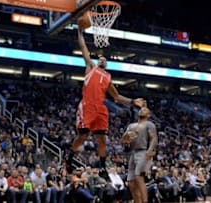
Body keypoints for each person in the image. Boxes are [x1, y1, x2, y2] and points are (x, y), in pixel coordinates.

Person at [66, 28, 146, 176]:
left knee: (102, 139)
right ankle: (69, 157)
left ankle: (102, 166)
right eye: (100, 58)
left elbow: (116, 97)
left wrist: (133, 101)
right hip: (87, 105)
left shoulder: (108, 77)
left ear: (107, 64)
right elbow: (84, 48)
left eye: (105, 59)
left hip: (100, 108)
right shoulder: (90, 67)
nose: (102, 59)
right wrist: (80, 34)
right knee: (83, 135)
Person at [121, 106, 158, 203]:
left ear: (148, 115)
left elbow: (154, 138)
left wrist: (150, 150)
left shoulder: (149, 124)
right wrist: (127, 137)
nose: (142, 110)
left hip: (143, 151)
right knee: (131, 182)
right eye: (141, 109)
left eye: (145, 110)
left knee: (139, 177)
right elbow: (123, 140)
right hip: (133, 152)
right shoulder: (131, 126)